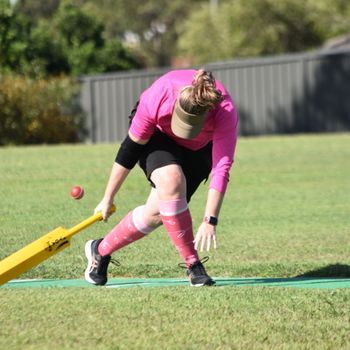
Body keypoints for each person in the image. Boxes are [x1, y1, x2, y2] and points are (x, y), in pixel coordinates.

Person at [84, 69, 238, 287]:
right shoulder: (159, 95)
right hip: (159, 136)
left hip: (200, 150)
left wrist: (209, 219)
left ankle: (99, 250)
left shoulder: (225, 111)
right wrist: (108, 197)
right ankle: (193, 265)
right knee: (171, 181)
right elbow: (130, 149)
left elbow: (221, 168)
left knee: (157, 213)